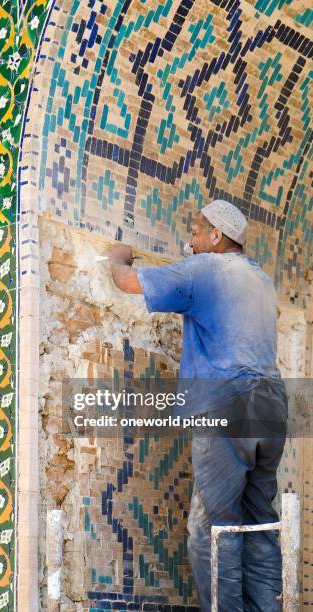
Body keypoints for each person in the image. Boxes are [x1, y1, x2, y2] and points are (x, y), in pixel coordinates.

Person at [108, 200, 287, 611]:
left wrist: (117, 256)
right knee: (259, 523)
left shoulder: (206, 269)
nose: (189, 240)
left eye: (195, 231)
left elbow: (128, 282)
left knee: (214, 528)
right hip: (272, 405)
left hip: (228, 403)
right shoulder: (261, 279)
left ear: (216, 237)